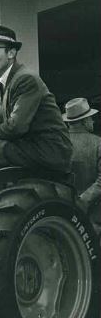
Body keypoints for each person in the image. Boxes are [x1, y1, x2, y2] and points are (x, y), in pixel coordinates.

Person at [0, 25, 72, 177]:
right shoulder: (2, 84)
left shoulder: (26, 79)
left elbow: (16, 126)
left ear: (11, 53)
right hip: (28, 147)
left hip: (49, 150)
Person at [63, 97, 101, 230]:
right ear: (84, 121)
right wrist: (83, 200)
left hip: (63, 215)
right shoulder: (98, 143)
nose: (92, 121)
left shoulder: (58, 144)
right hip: (95, 219)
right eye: (90, 118)